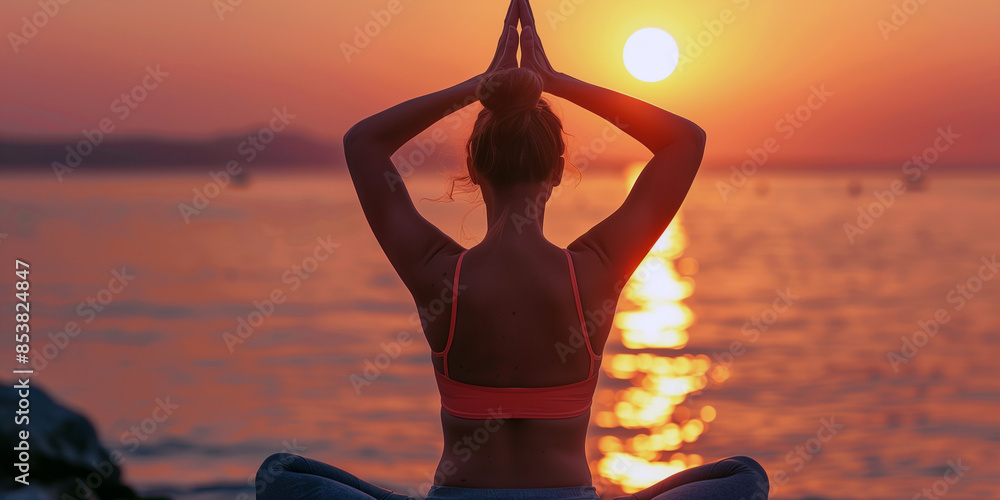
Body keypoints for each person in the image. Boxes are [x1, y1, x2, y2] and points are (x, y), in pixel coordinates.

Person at [256, 1, 768, 499]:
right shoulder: (595, 270)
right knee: (744, 475)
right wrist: (558, 82)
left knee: (280, 473)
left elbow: (362, 143)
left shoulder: (438, 273)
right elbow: (685, 141)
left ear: (474, 169)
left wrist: (475, 89)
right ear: (557, 169)